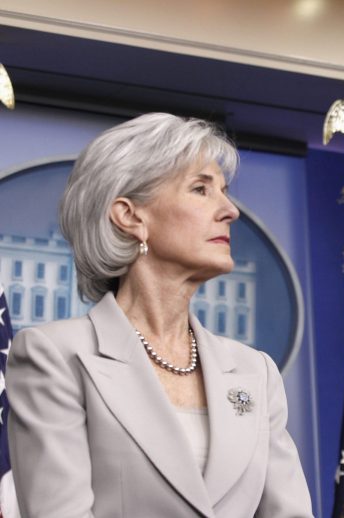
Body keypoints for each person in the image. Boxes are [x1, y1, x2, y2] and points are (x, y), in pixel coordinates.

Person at [6, 113, 313, 517]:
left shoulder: (256, 372)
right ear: (130, 216)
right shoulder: (54, 356)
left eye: (225, 190)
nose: (230, 210)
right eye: (201, 189)